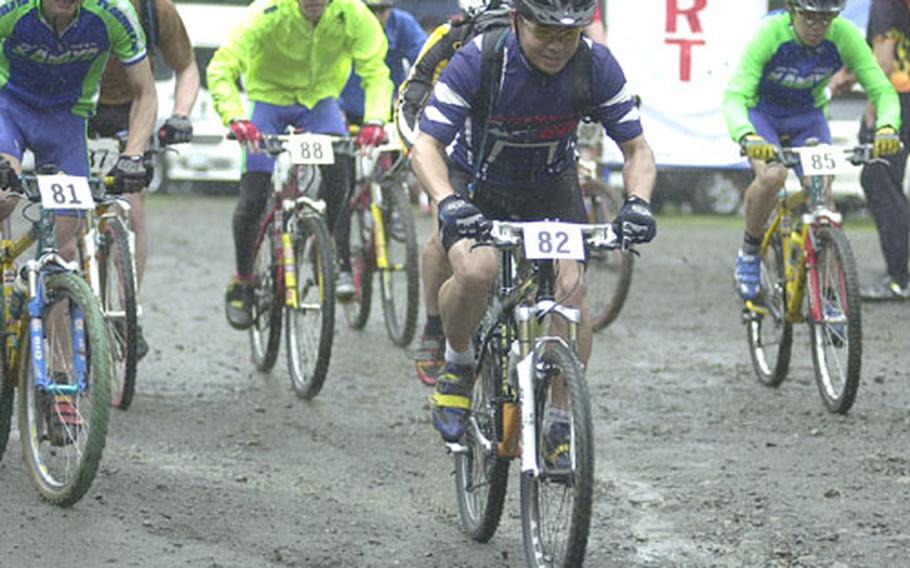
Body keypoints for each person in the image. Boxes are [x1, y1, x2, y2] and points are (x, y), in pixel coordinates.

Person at [410, 0, 657, 444]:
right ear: (516, 21)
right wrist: (446, 201)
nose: (557, 46)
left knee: (570, 291)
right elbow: (426, 146)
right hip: (478, 185)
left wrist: (637, 202)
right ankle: (459, 363)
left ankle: (561, 419)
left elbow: (637, 149)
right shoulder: (481, 58)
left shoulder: (595, 64)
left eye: (569, 34)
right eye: (544, 32)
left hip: (549, 185)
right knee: (475, 270)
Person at [0, 0, 156, 432]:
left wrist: (134, 154)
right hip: (6, 107)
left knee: (63, 251)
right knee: (4, 193)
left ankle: (62, 379)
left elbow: (145, 91)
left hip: (67, 122)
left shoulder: (114, 12)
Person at [207, 0, 393, 330]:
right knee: (252, 197)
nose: (314, 2)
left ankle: (321, 244)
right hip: (268, 102)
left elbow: (376, 72)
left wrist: (376, 119)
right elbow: (222, 67)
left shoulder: (352, 14)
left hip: (319, 103)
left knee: (340, 178)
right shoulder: (267, 13)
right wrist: (235, 116)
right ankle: (243, 279)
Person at [724, 0, 901, 302]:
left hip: (808, 118)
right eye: (809, 19)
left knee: (823, 199)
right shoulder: (769, 34)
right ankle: (750, 251)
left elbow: (882, 89)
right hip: (762, 115)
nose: (818, 28)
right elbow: (735, 95)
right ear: (793, 11)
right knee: (772, 175)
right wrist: (746, 135)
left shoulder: (844, 35)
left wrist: (886, 128)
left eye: (826, 19)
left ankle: (830, 293)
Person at [90, 0, 201, 357]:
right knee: (73, 210)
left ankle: (126, 310)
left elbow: (186, 67)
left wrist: (181, 115)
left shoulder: (157, 10)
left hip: (134, 109)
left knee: (132, 212)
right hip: (78, 105)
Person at [335, 0, 426, 298]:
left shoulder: (403, 25)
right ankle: (343, 266)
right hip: (345, 110)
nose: (378, 16)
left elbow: (423, 61)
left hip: (386, 109)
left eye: (383, 9)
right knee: (343, 189)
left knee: (403, 152)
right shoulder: (344, 21)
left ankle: (394, 201)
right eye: (372, 9)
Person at [857, 0, 910, 300]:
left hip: (898, 100)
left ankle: (898, 277)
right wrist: (847, 76)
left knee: (879, 179)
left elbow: (884, 58)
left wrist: (872, 109)